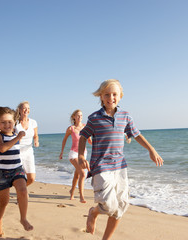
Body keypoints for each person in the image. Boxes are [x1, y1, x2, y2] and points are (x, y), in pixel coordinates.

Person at [78, 79, 164, 240]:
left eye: (114, 94)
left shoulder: (125, 116)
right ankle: (93, 212)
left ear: (120, 96)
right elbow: (83, 136)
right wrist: (81, 155)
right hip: (101, 167)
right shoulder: (94, 118)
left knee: (121, 206)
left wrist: (151, 150)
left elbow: (136, 134)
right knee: (109, 205)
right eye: (107, 94)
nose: (111, 97)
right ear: (101, 97)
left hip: (120, 167)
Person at [0, 107, 33, 238]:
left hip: (17, 169)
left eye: (10, 122)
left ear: (14, 122)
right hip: (1, 172)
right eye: (3, 122)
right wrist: (18, 137)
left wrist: (19, 134)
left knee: (23, 191)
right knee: (4, 201)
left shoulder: (15, 132)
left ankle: (23, 218)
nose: (7, 125)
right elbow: (2, 148)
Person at [59, 109, 91, 202]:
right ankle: (81, 196)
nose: (80, 117)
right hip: (73, 154)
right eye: (78, 116)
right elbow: (64, 140)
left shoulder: (85, 126)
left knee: (77, 175)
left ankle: (72, 192)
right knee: (82, 173)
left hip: (83, 153)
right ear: (74, 117)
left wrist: (92, 142)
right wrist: (61, 152)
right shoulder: (71, 128)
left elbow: (89, 139)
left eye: (81, 115)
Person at [15, 101, 39, 186]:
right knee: (19, 176)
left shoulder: (33, 122)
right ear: (20, 110)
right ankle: (21, 192)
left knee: (32, 178)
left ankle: (22, 190)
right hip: (17, 152)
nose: (26, 110)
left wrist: (36, 141)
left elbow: (35, 135)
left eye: (28, 108)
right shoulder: (15, 123)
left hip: (29, 151)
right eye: (24, 108)